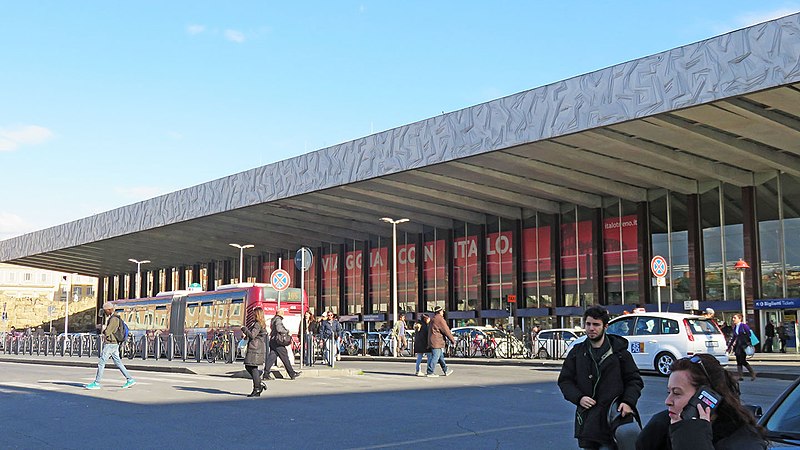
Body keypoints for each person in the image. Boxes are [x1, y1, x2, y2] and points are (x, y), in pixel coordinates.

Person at [636, 353, 767, 449]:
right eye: (668, 392)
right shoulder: (660, 426)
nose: (668, 401)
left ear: (707, 397)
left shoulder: (742, 441)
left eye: (677, 393)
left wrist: (692, 438)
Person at [558, 306, 643, 450]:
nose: (591, 328)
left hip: (614, 418)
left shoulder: (619, 352)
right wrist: (579, 398)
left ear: (605, 326)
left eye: (596, 324)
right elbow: (565, 381)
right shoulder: (577, 352)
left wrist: (628, 402)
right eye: (588, 324)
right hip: (588, 421)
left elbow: (634, 380)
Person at [85, 302, 136, 390]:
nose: (105, 313)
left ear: (109, 310)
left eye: (105, 311)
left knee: (101, 363)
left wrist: (103, 329)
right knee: (118, 362)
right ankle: (130, 379)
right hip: (114, 343)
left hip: (110, 343)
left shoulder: (113, 319)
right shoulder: (115, 318)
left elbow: (108, 332)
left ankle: (97, 383)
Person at [264, 308, 301, 380]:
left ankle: (266, 373)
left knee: (272, 357)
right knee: (285, 358)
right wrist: (287, 331)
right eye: (283, 312)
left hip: (273, 340)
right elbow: (279, 329)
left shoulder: (273, 319)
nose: (283, 314)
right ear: (280, 313)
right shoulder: (278, 319)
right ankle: (292, 373)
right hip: (278, 341)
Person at [241, 307, 267, 397]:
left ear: (256, 314)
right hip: (257, 347)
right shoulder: (260, 323)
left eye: (253, 314)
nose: (252, 315)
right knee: (251, 367)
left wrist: (244, 329)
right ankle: (258, 386)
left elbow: (252, 335)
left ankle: (257, 387)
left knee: (251, 367)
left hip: (255, 348)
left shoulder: (257, 324)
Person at [426, 306, 455, 377]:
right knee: (436, 356)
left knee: (440, 356)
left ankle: (446, 370)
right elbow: (446, 330)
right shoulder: (440, 319)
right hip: (437, 341)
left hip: (433, 340)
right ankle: (430, 371)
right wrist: (452, 340)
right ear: (440, 311)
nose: (443, 312)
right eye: (442, 311)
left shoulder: (433, 319)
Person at [730, 313, 756, 381]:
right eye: (733, 318)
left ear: (739, 319)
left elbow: (749, 334)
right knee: (738, 360)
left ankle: (752, 373)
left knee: (743, 360)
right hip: (738, 346)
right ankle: (740, 376)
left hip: (743, 345)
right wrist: (729, 346)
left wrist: (747, 341)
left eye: (735, 318)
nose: (733, 319)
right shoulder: (735, 327)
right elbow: (734, 337)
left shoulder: (744, 326)